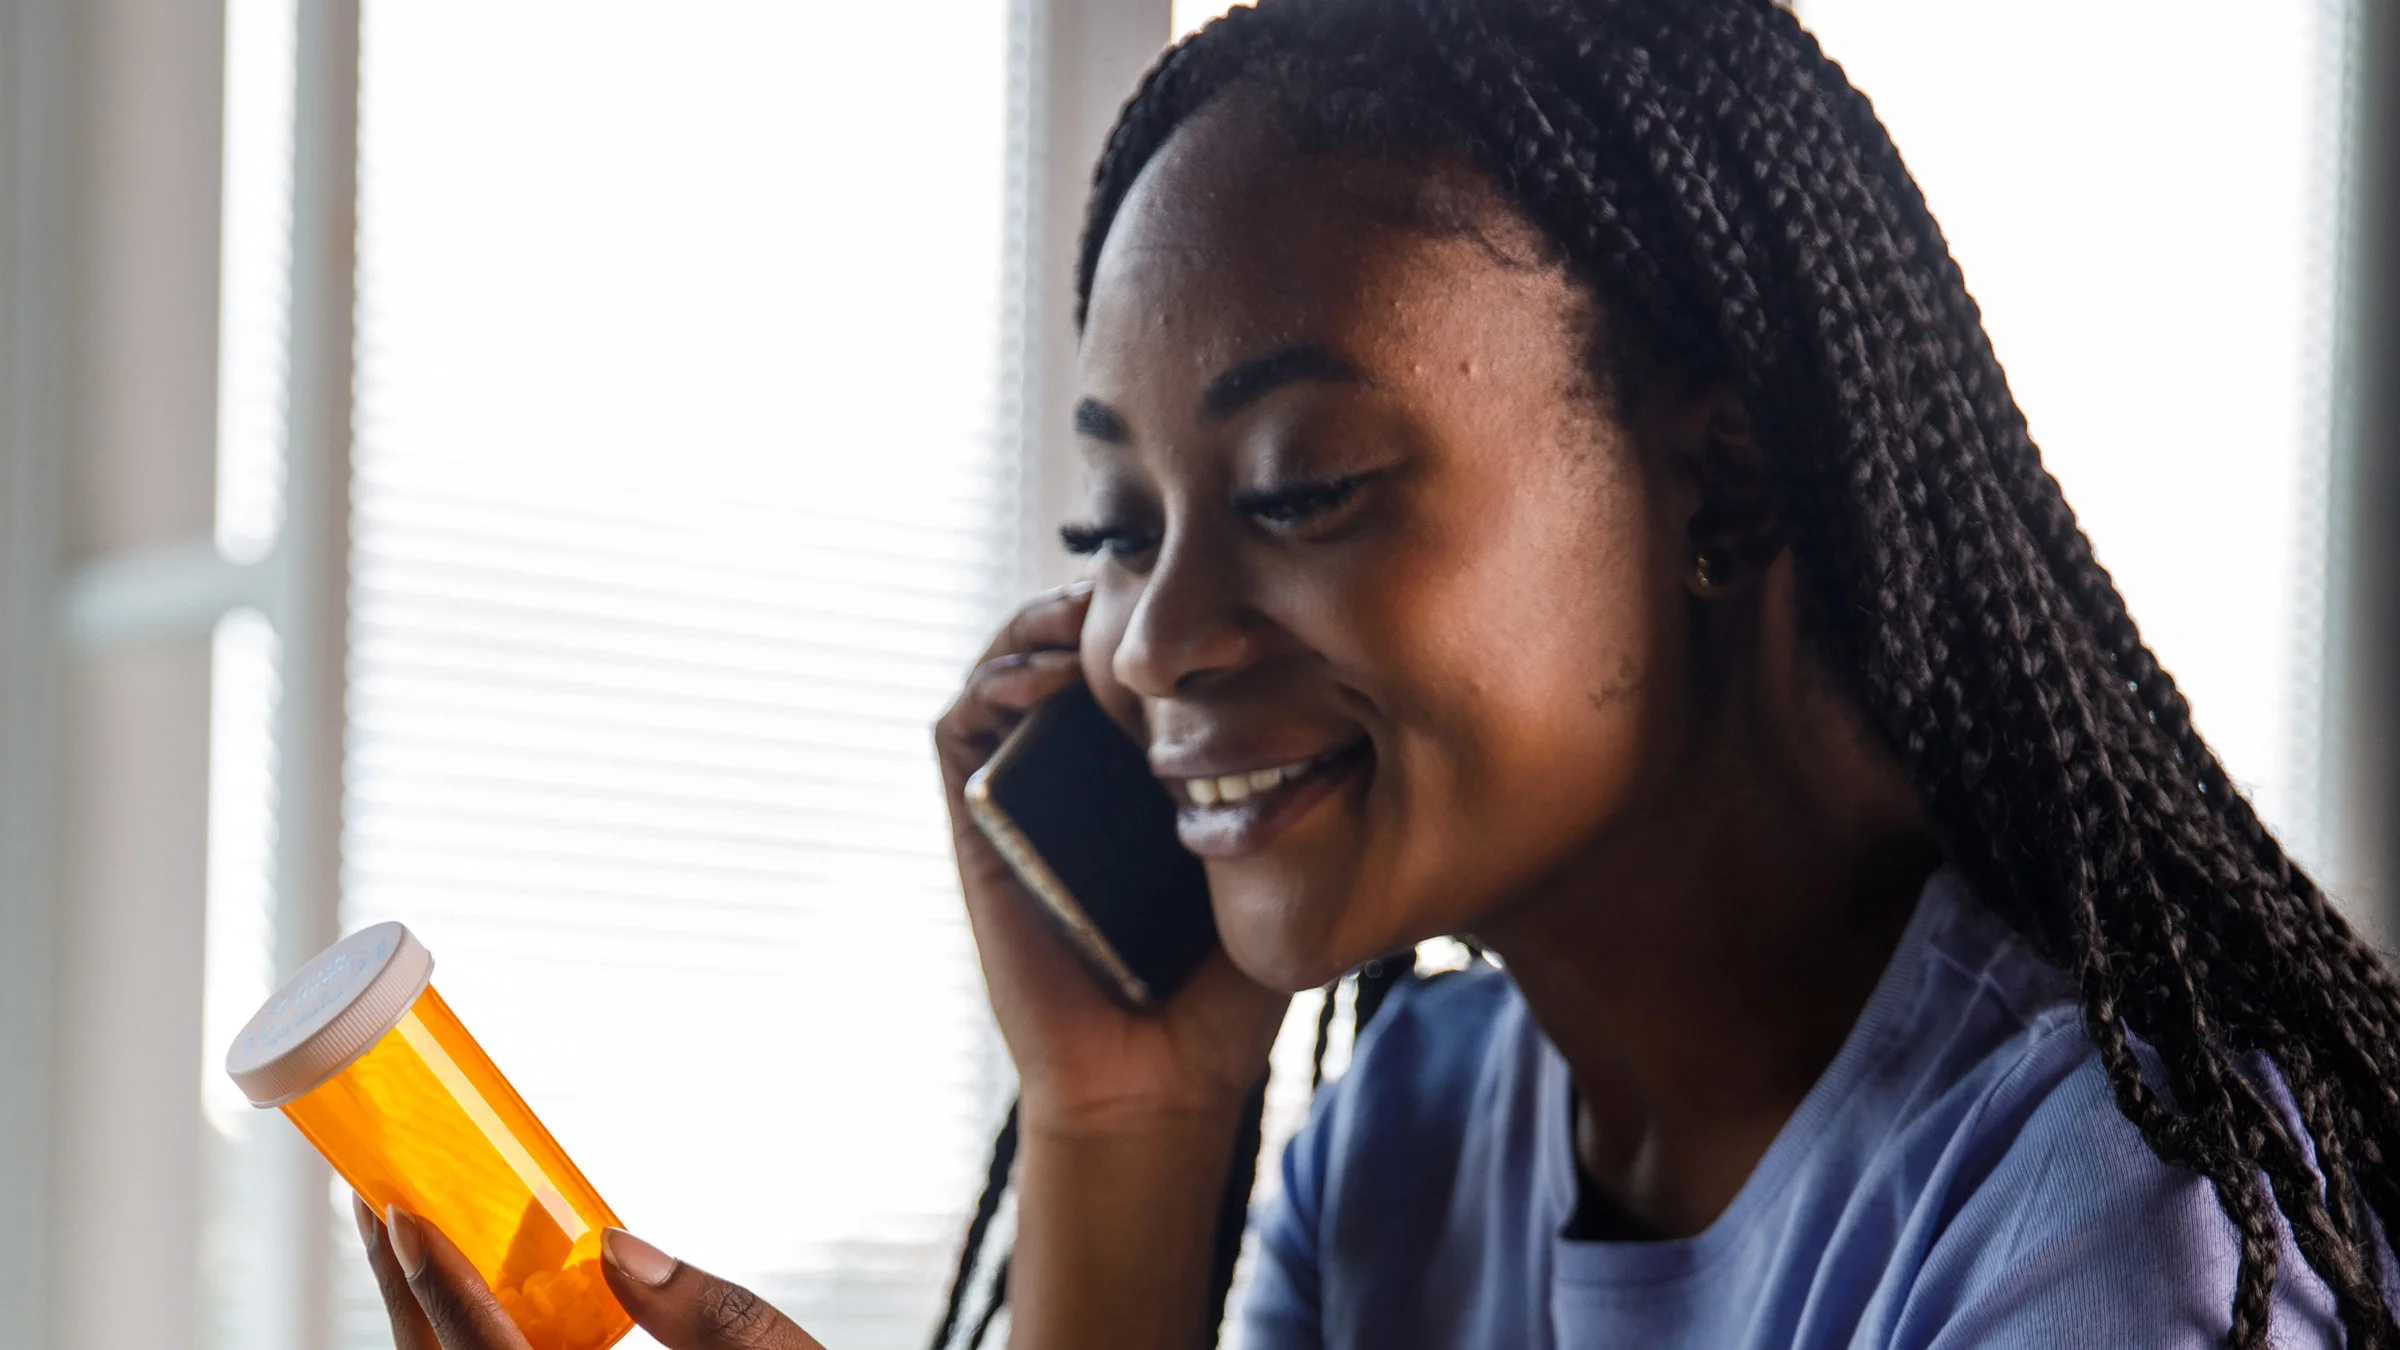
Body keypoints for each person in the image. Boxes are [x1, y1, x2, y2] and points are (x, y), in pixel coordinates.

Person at [357, 1, 2400, 1347]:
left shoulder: (2124, 1226)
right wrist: (1124, 1121)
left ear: (1721, 483)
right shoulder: (1408, 1153)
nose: (1148, 638)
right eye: (1116, 531)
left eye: (1303, 488)